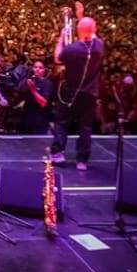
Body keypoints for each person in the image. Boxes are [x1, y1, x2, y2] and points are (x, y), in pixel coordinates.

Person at [50, 15, 103, 171]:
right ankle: (82, 161)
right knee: (85, 127)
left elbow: (57, 58)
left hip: (70, 93)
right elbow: (91, 34)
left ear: (79, 31)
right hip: (90, 94)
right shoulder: (99, 46)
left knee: (62, 122)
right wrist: (81, 17)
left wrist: (61, 37)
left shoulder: (73, 49)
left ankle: (58, 153)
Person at [17, 59, 54, 135]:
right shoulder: (29, 80)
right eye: (35, 67)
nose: (37, 69)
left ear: (44, 70)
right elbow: (18, 92)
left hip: (40, 122)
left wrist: (33, 90)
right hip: (26, 121)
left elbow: (43, 103)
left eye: (40, 68)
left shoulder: (47, 83)